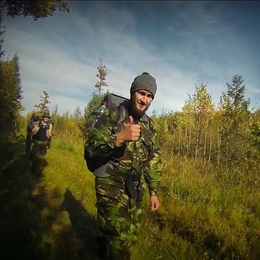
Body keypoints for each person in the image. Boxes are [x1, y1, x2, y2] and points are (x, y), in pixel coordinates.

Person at [85, 72, 162, 260]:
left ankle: (104, 247)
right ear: (132, 92)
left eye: (149, 96)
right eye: (141, 93)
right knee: (120, 241)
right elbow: (90, 149)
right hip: (110, 183)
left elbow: (154, 160)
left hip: (133, 187)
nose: (144, 100)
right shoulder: (112, 114)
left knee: (131, 234)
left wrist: (153, 191)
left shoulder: (149, 126)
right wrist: (119, 138)